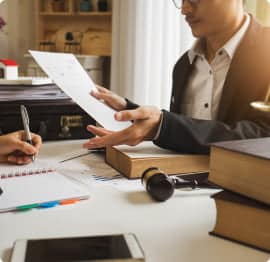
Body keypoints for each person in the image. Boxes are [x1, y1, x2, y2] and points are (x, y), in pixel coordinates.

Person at [83, 0, 270, 154]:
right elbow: (189, 131)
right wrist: (129, 110)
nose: (185, 9)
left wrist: (163, 125)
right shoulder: (184, 65)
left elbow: (264, 135)